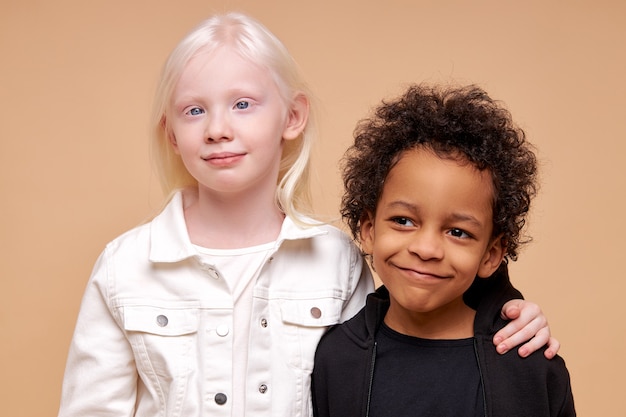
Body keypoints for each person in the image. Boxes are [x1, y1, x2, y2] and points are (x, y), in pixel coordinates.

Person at [58, 13, 559, 417]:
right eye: (194, 111)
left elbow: (408, 334)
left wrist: (506, 309)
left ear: (292, 117)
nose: (217, 128)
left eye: (243, 103)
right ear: (170, 132)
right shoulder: (124, 266)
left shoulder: (337, 258)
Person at [312, 83, 575, 417]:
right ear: (368, 230)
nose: (426, 249)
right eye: (404, 221)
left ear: (491, 254)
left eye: (457, 232)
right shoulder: (335, 358)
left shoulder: (528, 367)